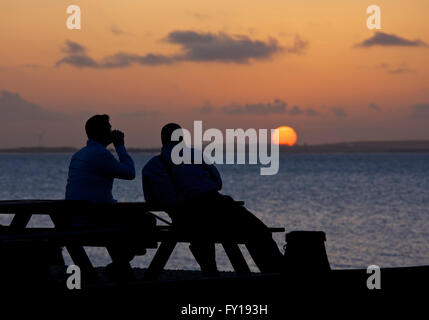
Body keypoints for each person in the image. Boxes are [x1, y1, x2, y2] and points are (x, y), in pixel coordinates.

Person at [142, 123, 283, 276]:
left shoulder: (151, 167)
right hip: (218, 206)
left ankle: (211, 272)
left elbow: (151, 201)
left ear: (162, 140)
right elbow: (218, 183)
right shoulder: (196, 155)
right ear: (182, 138)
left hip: (185, 218)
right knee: (258, 231)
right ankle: (276, 273)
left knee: (204, 239)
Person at [65, 114, 153, 280]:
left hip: (75, 217)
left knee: (130, 226)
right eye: (109, 128)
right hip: (94, 217)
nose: (112, 131)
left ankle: (120, 265)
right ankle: (121, 264)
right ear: (102, 132)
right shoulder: (101, 154)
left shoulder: (78, 154)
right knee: (147, 220)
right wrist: (120, 146)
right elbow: (129, 173)